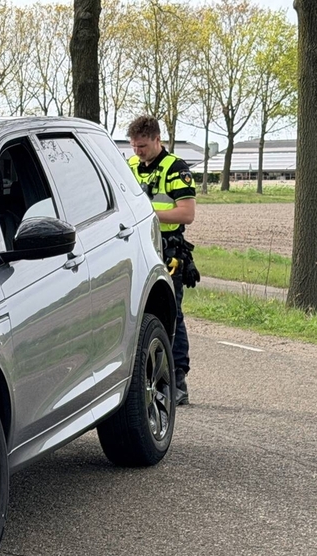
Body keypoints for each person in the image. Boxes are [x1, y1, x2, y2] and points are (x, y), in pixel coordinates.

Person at [126, 115, 199, 406]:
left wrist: (148, 214)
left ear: (157, 140)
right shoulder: (130, 166)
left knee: (173, 315)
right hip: (138, 248)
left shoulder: (176, 169)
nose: (138, 151)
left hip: (168, 251)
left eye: (143, 146)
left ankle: (178, 379)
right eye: (134, 146)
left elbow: (187, 214)